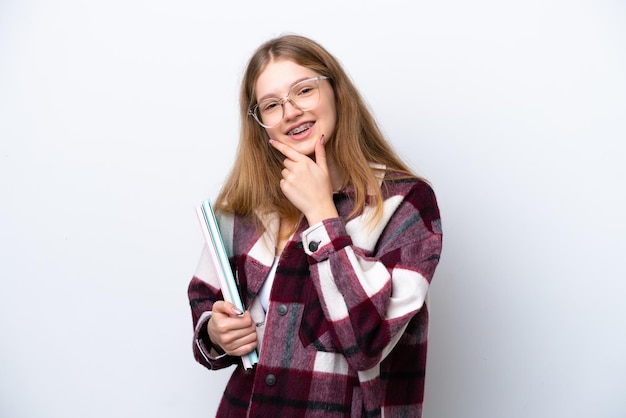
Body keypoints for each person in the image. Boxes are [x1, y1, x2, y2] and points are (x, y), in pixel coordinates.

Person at [188, 34, 443, 418]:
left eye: (303, 90)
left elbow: (367, 342)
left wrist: (322, 213)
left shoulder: (406, 204)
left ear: (336, 91)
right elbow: (205, 303)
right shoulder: (246, 209)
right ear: (261, 124)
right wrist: (215, 332)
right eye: (272, 105)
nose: (290, 112)